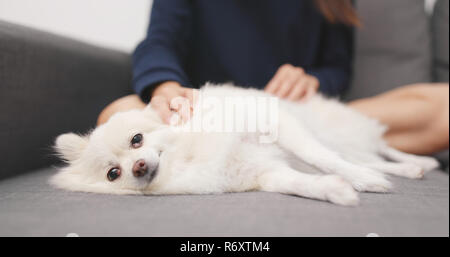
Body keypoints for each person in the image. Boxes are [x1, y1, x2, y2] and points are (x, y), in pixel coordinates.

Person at [97, 0, 449, 156]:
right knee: (115, 116)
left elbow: (337, 69)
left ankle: (277, 152)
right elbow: (158, 42)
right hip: (203, 121)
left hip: (300, 118)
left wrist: (311, 79)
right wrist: (166, 87)